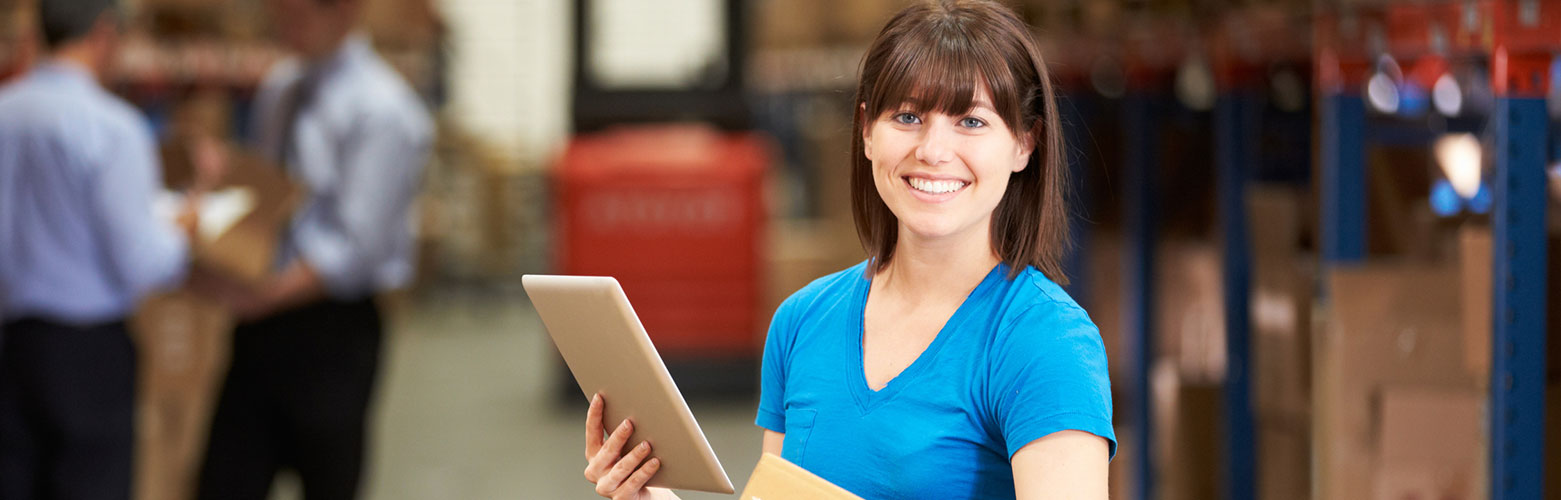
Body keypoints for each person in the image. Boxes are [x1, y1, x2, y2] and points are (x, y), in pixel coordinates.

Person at [580, 1, 1115, 498]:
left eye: (971, 121)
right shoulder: (801, 321)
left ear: (1025, 144)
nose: (932, 151)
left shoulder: (1045, 342)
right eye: (907, 117)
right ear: (866, 132)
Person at [193, 0, 432, 498]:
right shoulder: (282, 88)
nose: (284, 24)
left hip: (332, 329)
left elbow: (356, 248)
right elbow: (270, 193)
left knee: (327, 478)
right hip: (262, 320)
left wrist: (268, 294)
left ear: (344, 12)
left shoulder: (384, 111)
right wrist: (223, 184)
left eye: (298, 15)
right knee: (225, 476)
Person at [0, 0, 205, 497]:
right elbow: (140, 261)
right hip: (88, 353)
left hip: (13, 343)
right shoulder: (113, 128)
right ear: (105, 33)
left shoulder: (6, 110)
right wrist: (186, 228)